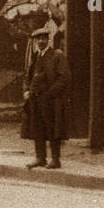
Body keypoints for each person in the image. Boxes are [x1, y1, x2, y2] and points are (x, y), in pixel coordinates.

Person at [23, 27, 69, 169]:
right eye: (38, 39)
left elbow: (64, 78)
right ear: (35, 41)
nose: (41, 41)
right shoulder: (36, 56)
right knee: (38, 128)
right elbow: (28, 76)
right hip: (36, 100)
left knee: (53, 129)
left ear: (48, 39)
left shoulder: (57, 55)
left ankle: (55, 160)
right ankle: (40, 158)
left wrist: (50, 94)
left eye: (44, 38)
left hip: (51, 100)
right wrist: (26, 90)